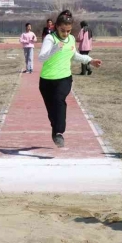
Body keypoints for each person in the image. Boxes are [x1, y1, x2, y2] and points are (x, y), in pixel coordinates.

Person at [38, 10, 102, 147]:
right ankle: (55, 129)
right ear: (56, 27)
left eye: (68, 31)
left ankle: (59, 133)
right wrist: (56, 48)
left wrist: (90, 60)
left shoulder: (71, 39)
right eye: (63, 31)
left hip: (64, 79)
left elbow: (75, 56)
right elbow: (41, 58)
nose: (66, 34)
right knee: (52, 112)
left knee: (59, 101)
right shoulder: (50, 39)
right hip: (46, 81)